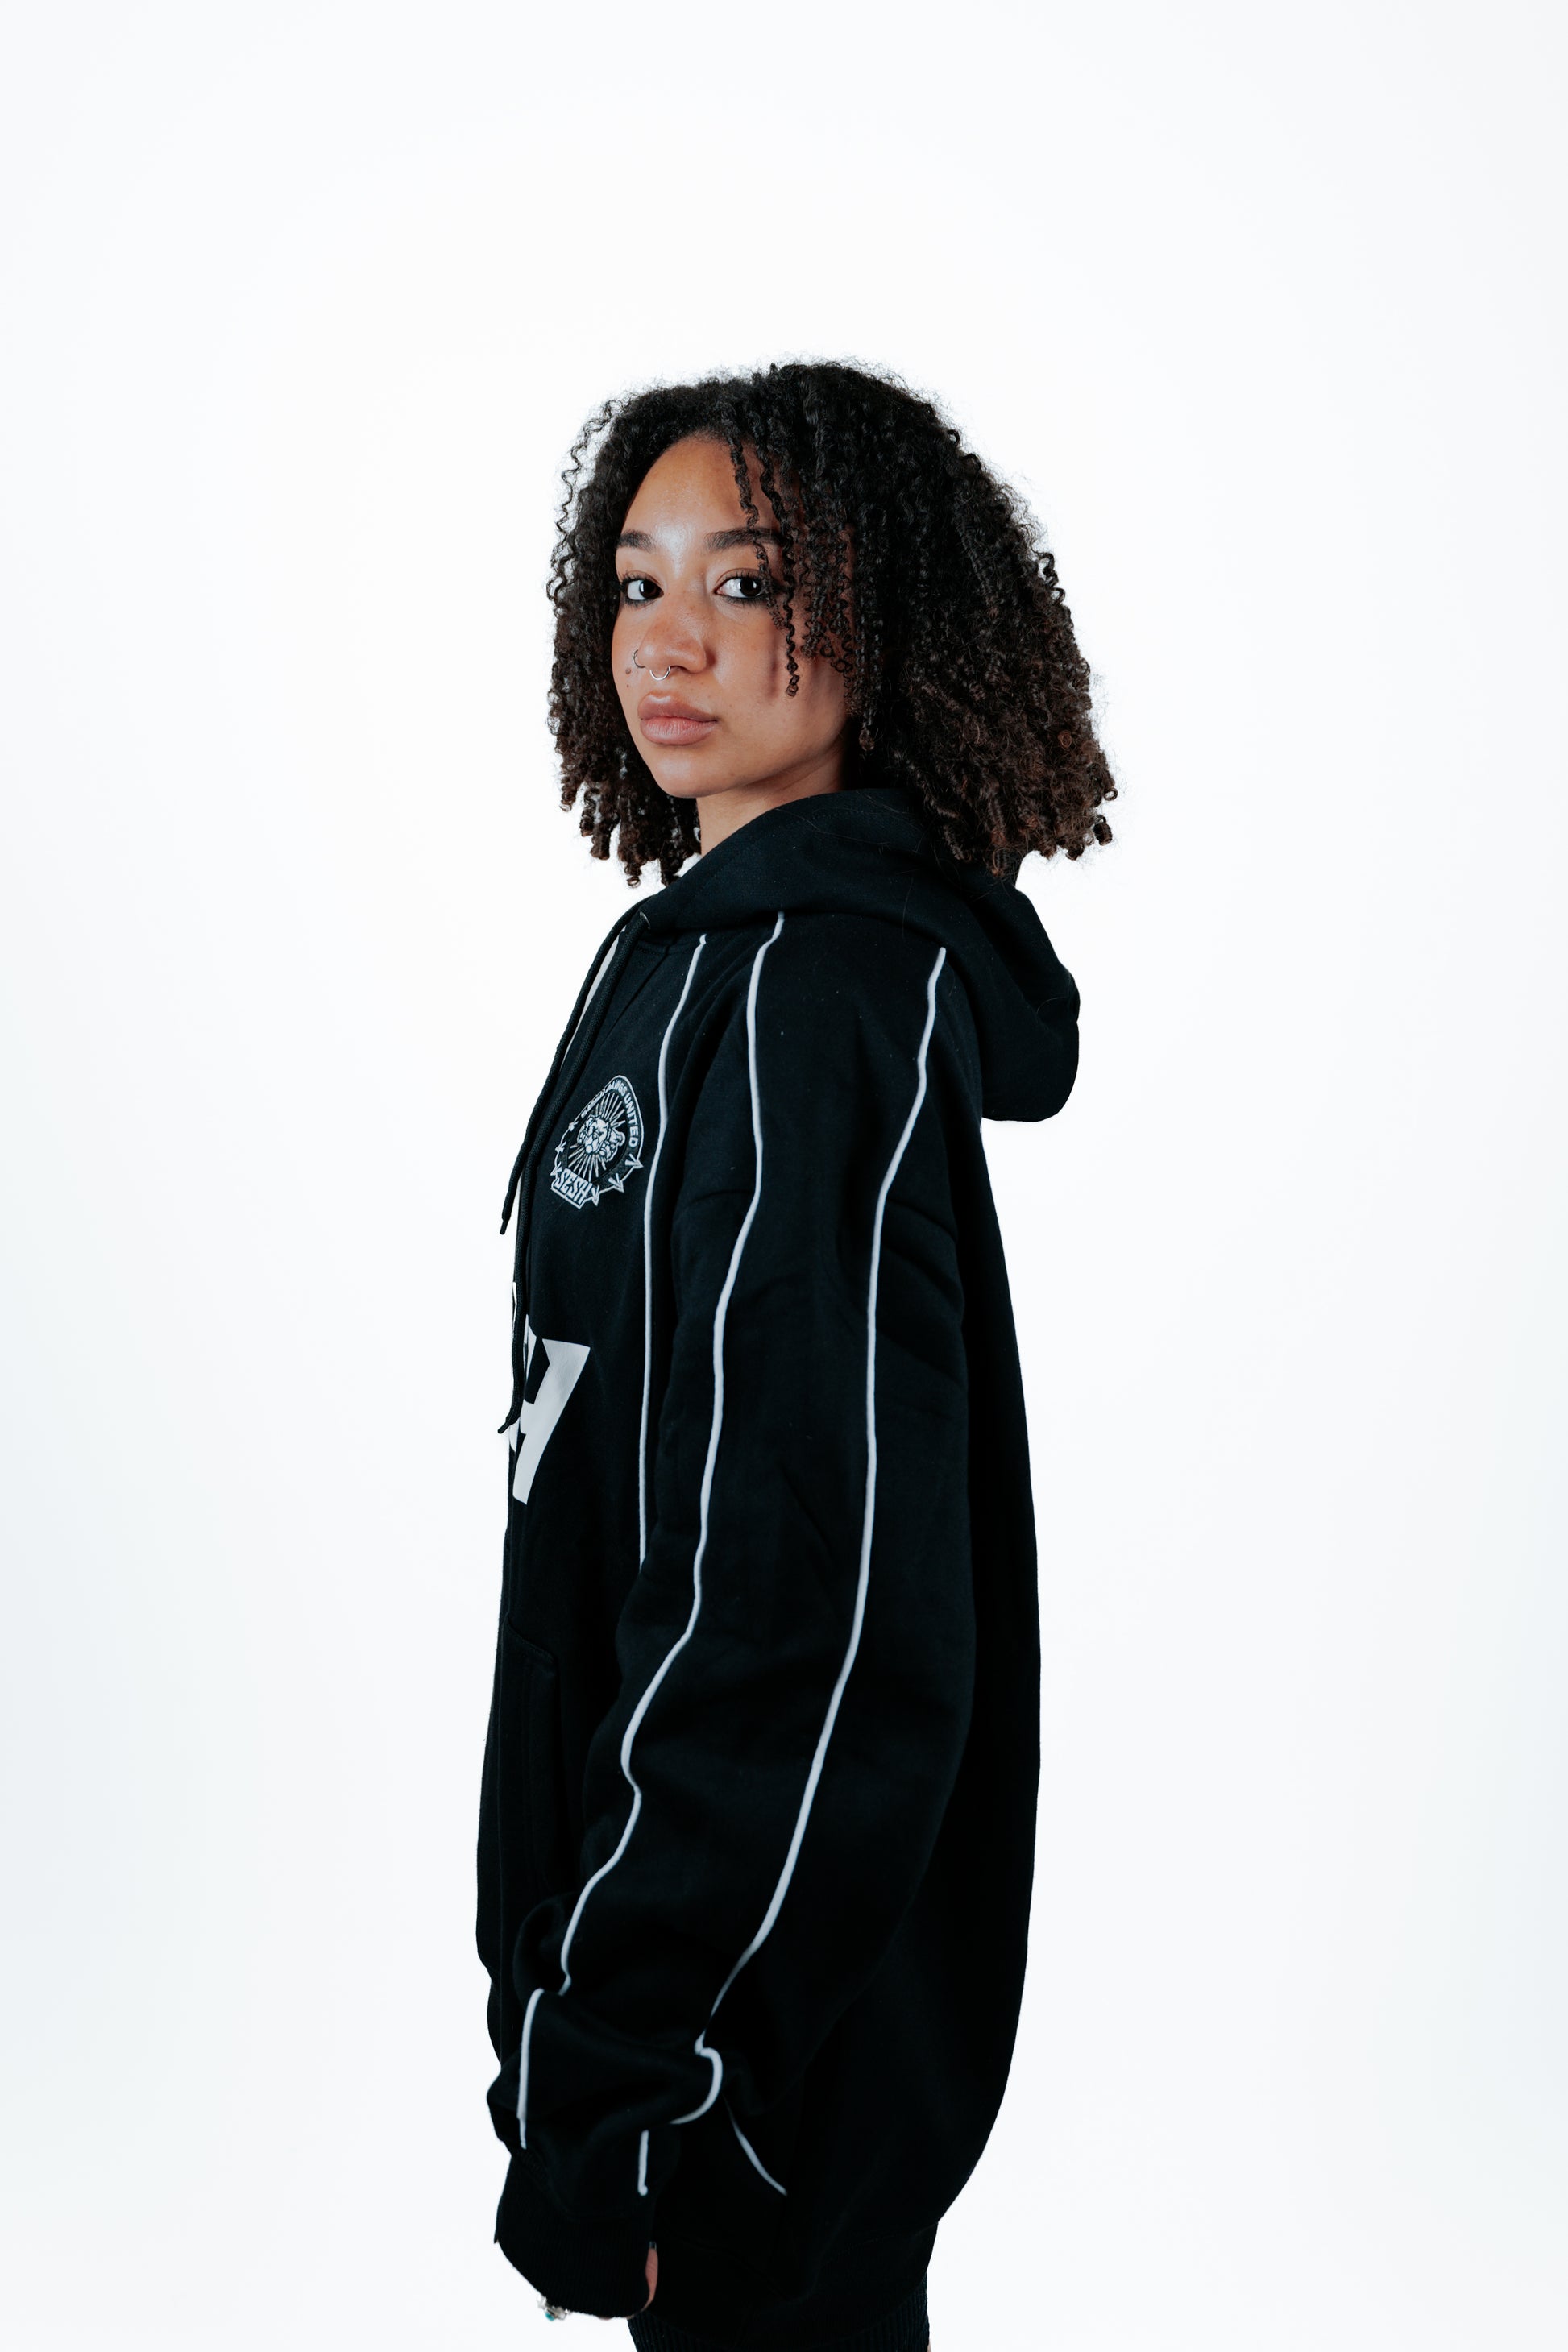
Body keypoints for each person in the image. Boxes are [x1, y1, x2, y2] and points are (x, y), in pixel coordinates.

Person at [476, 360, 1116, 2352]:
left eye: (746, 583)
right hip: (673, 1979)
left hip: (735, 2041)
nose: (667, 641)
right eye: (636, 581)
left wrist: (644, 2063)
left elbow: (797, 1587)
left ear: (881, 619)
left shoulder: (807, 993)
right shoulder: (705, 956)